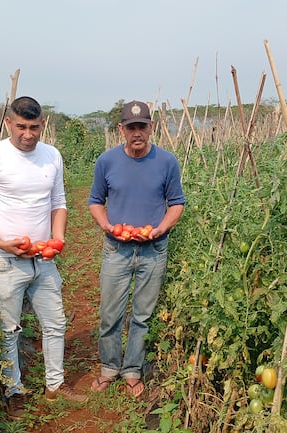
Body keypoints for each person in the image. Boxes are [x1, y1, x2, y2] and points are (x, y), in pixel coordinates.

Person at [0, 96, 86, 420]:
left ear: (42, 124)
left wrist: (57, 238)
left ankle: (55, 385)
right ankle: (13, 389)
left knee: (55, 323)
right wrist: (1, 243)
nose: (28, 134)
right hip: (5, 261)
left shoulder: (52, 156)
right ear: (8, 124)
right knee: (9, 329)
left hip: (43, 259)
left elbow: (58, 201)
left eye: (34, 127)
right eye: (21, 127)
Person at [87, 100, 186, 398]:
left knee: (142, 314)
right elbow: (95, 202)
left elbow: (176, 204)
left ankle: (132, 369)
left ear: (151, 127)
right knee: (110, 312)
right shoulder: (107, 161)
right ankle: (109, 367)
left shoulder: (167, 161)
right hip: (117, 248)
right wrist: (106, 226)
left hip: (153, 249)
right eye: (131, 128)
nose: (137, 133)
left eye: (142, 126)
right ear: (122, 130)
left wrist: (161, 228)